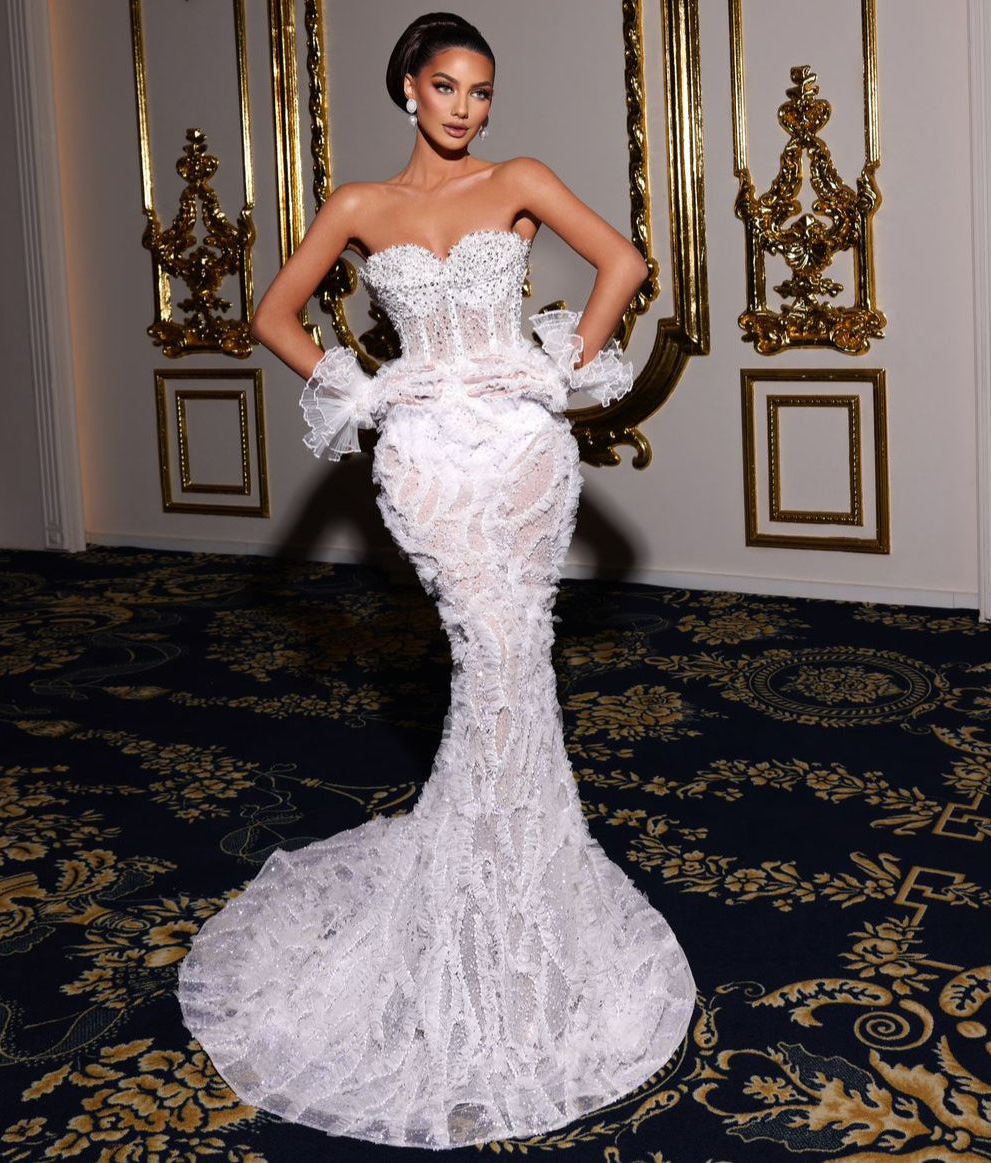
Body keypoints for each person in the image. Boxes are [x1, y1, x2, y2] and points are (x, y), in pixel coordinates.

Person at [177, 11, 697, 1150]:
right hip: (425, 460)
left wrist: (553, 369)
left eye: (482, 90)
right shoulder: (360, 205)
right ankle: (488, 886)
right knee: (489, 652)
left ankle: (514, 882)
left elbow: (624, 263)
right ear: (408, 88)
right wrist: (368, 391)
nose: (467, 107)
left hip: (520, 451)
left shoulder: (519, 179)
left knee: (515, 656)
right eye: (449, 86)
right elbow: (270, 314)